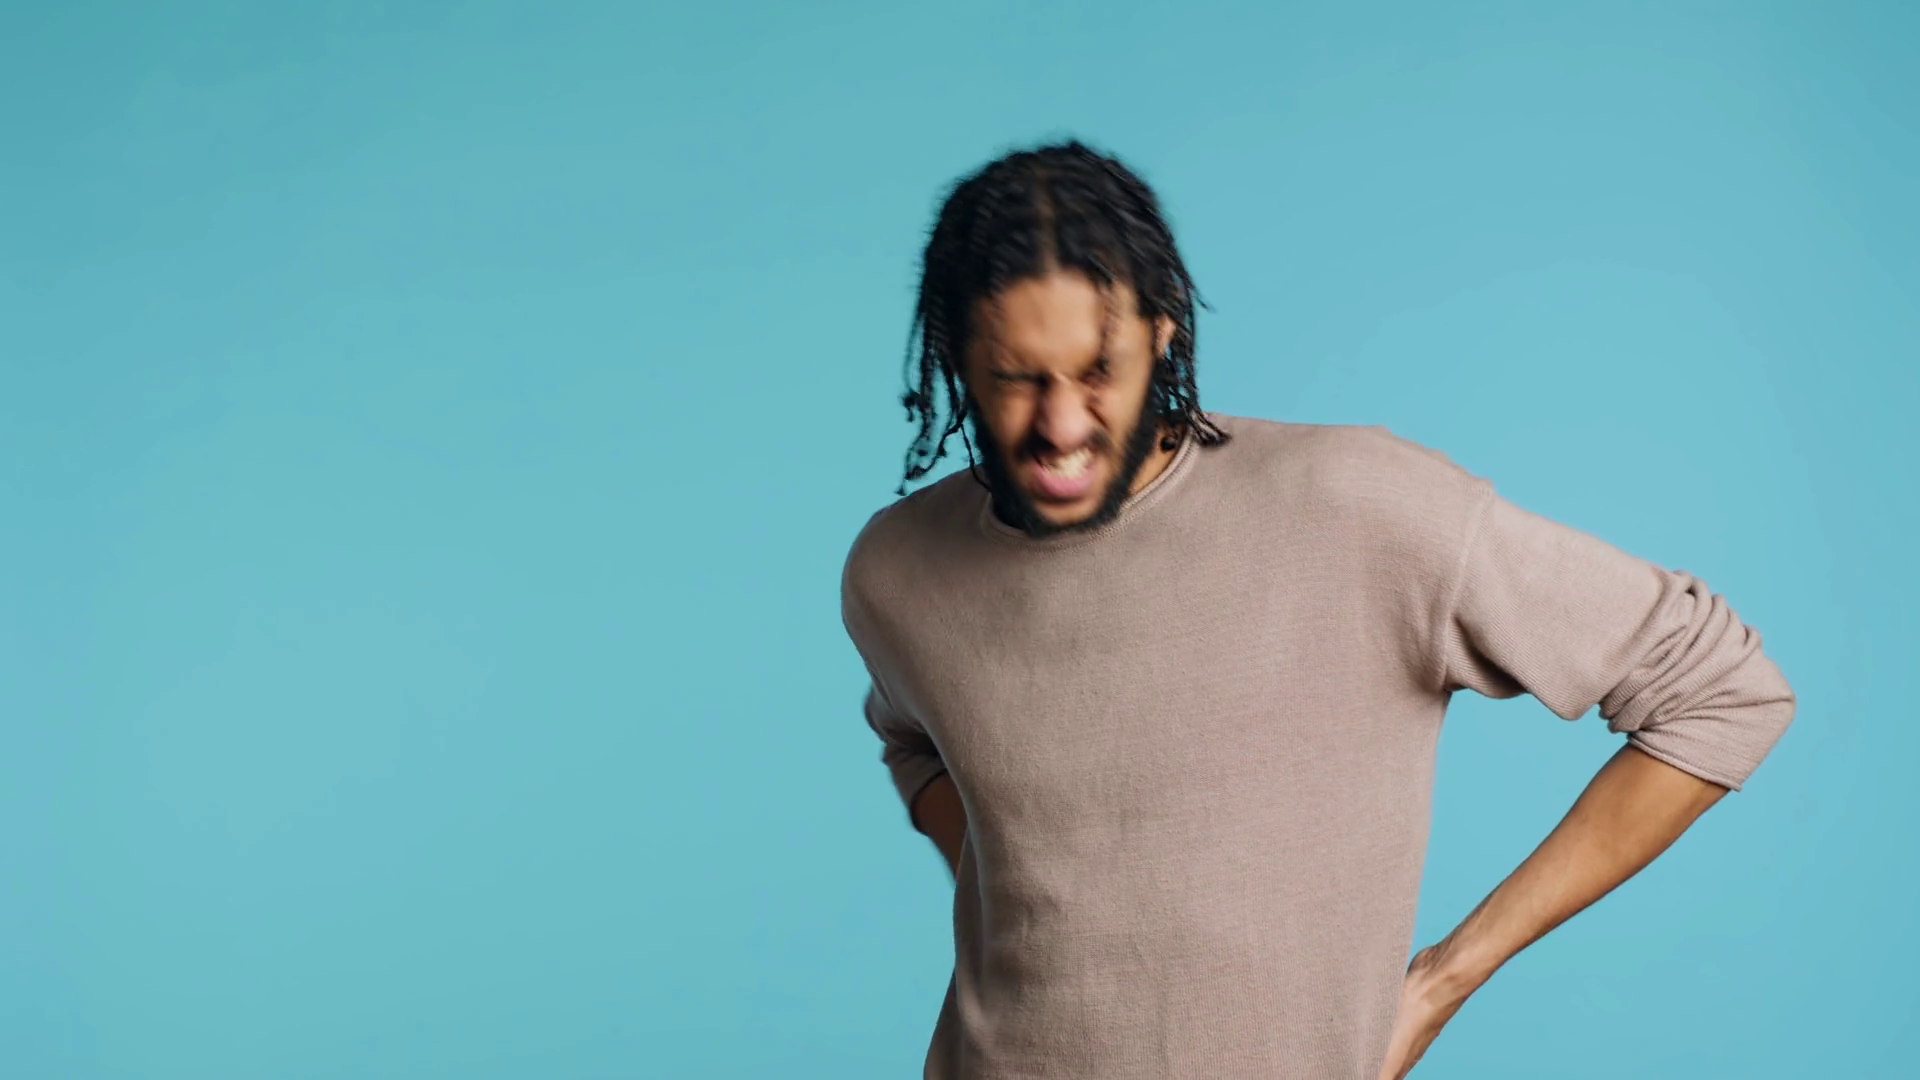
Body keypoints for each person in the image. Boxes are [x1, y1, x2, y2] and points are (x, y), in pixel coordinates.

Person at [838, 140, 1795, 1080]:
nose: (1060, 426)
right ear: (957, 355)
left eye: (1098, 371)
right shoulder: (897, 571)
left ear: (1162, 336)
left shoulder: (1357, 509)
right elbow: (915, 742)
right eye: (1017, 377)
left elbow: (1722, 692)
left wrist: (1443, 979)